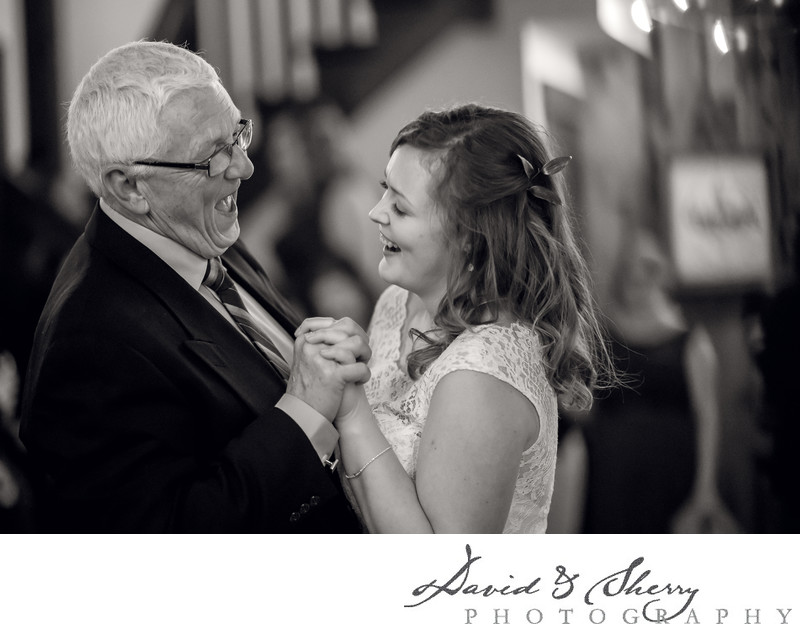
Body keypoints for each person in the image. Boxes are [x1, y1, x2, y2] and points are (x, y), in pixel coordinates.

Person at [18, 41, 369, 533]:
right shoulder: (90, 344)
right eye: (212, 157)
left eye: (238, 136)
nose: (243, 168)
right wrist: (306, 409)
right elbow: (179, 537)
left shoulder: (204, 231)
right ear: (129, 188)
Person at [301, 103, 616, 533]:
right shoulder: (398, 303)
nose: (376, 212)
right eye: (384, 190)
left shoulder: (484, 375)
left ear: (468, 236)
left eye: (401, 207)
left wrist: (351, 406)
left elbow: (446, 576)